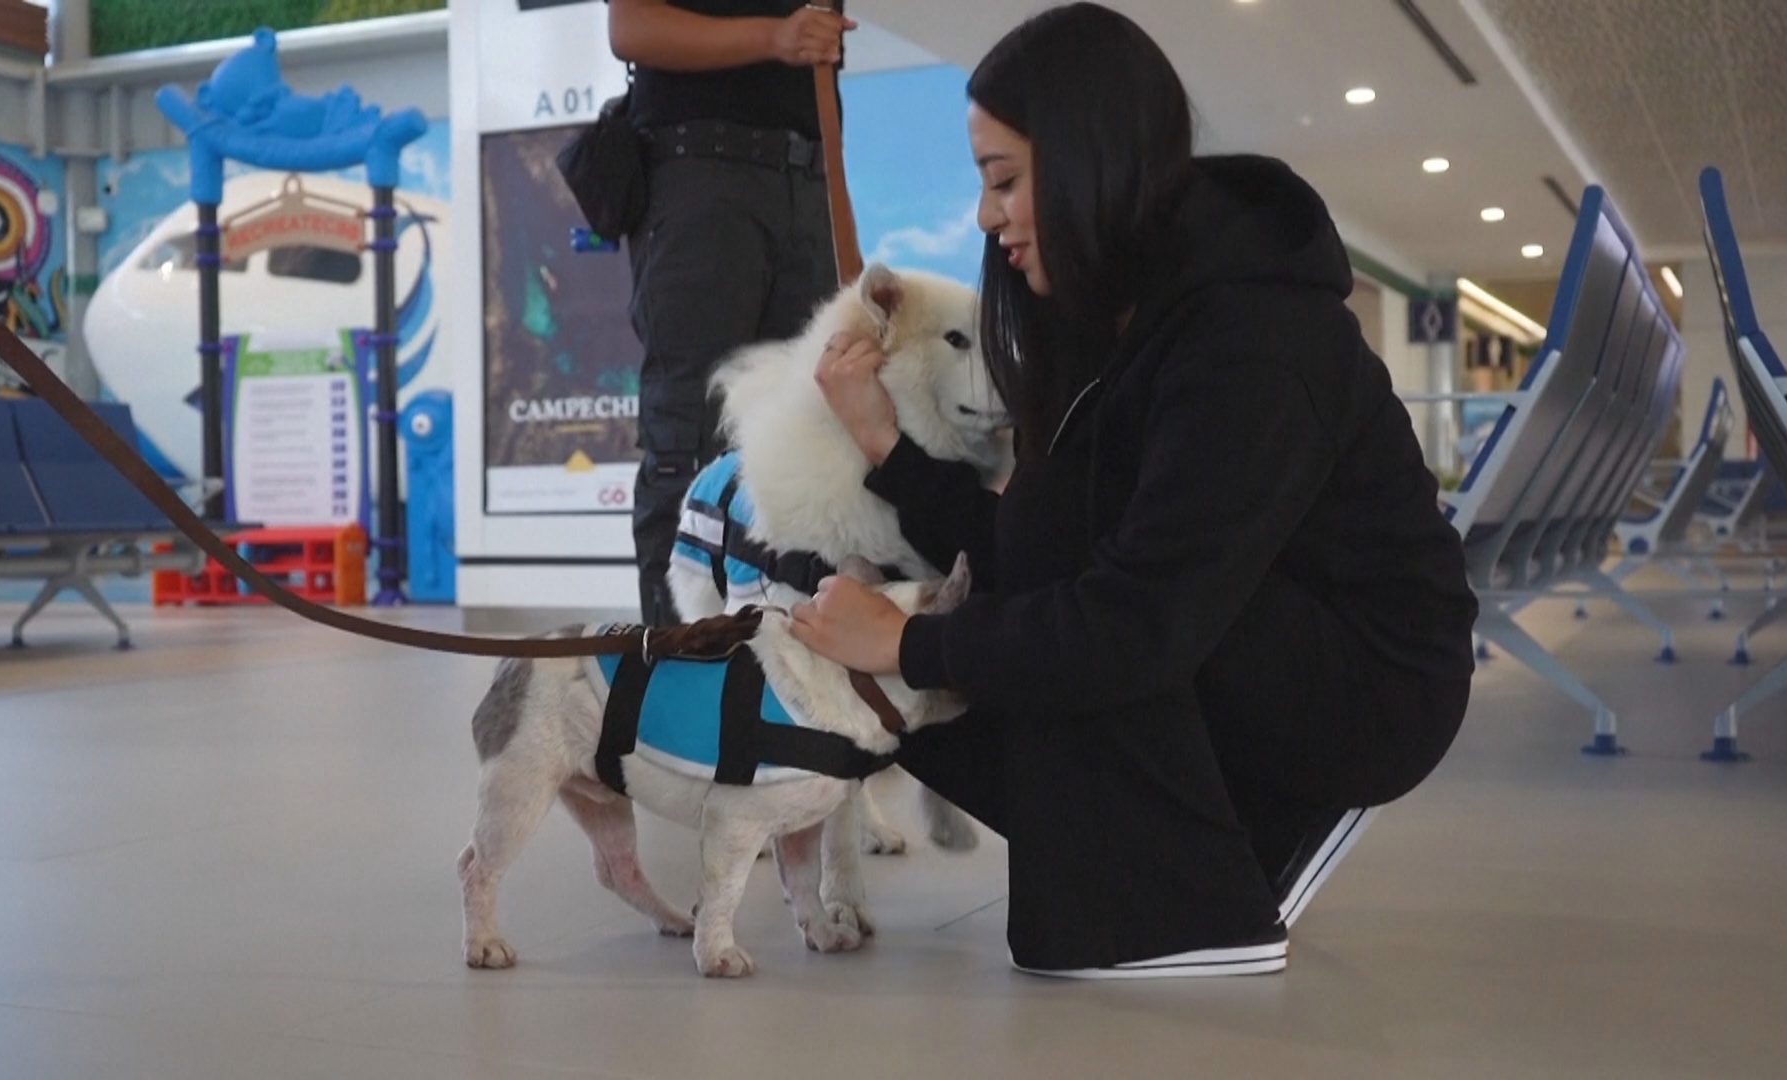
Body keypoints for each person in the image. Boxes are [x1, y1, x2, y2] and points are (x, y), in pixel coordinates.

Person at [788, 2, 1479, 979]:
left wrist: (908, 640)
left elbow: (1141, 617)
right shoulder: (1124, 315)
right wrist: (882, 446)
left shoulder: (1250, 339)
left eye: (1004, 181)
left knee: (967, 652)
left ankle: (1194, 897)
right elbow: (1036, 544)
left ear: (1086, 160)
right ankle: (1192, 846)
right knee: (937, 691)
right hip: (1233, 624)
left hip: (1368, 688)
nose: (987, 216)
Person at [606, 0, 857, 626]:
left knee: (809, 432)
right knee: (692, 436)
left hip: (807, 174)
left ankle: (782, 673)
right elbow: (629, 26)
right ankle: (674, 672)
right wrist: (777, 36)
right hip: (700, 175)